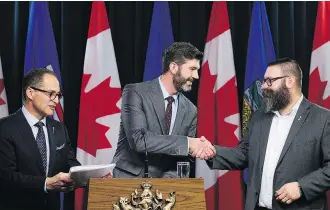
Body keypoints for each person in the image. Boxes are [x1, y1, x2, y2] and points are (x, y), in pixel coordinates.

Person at [202, 58, 330, 210]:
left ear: (289, 81)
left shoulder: (322, 119)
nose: (263, 86)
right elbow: (244, 154)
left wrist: (302, 187)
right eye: (264, 81)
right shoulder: (259, 116)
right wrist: (212, 151)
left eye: (269, 81)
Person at [112, 42, 215, 178]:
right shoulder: (135, 92)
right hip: (127, 183)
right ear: (173, 67)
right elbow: (139, 140)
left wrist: (165, 186)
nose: (196, 76)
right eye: (192, 69)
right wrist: (188, 143)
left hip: (164, 192)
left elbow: (182, 160)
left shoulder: (191, 110)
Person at [0, 68, 81, 210]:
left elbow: (70, 164)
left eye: (58, 95)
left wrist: (91, 175)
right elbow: (5, 177)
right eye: (51, 94)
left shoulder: (59, 129)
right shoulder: (5, 128)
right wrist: (46, 183)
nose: (56, 101)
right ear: (30, 93)